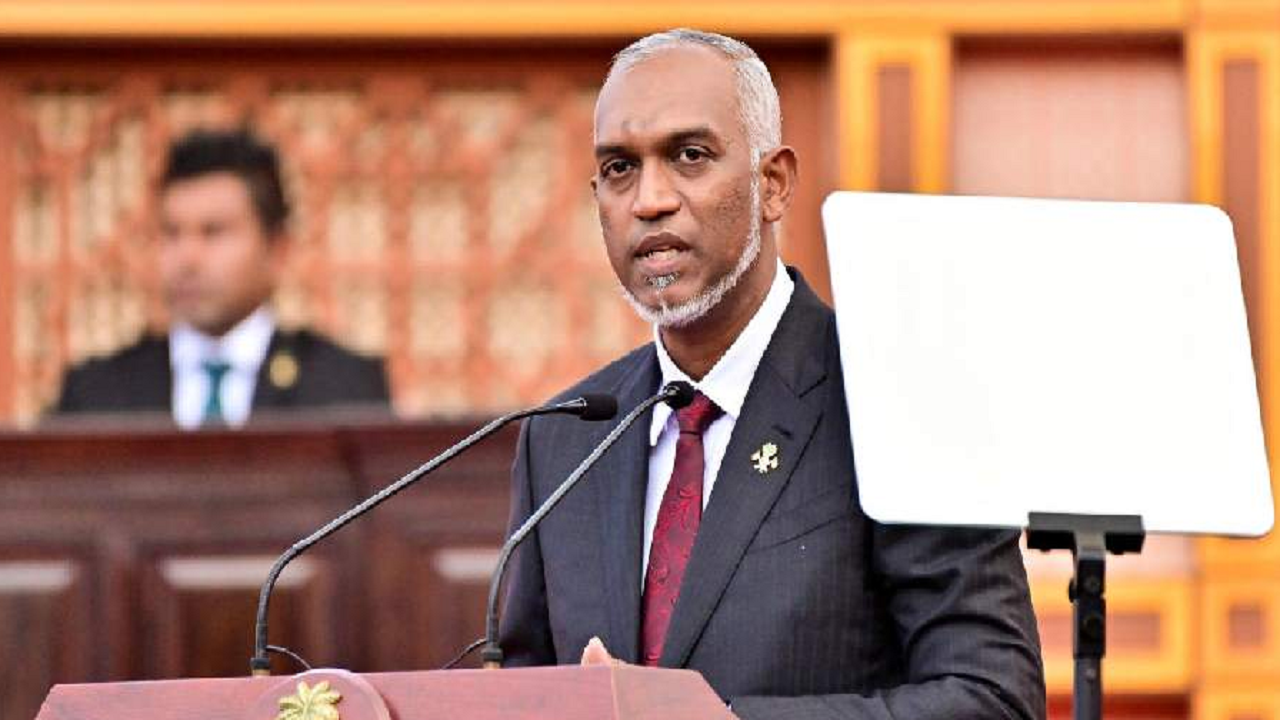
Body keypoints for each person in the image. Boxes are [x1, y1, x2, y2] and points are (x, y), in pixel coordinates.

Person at [497, 29, 1045, 718]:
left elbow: (993, 699)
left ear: (773, 184)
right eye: (619, 169)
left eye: (689, 156)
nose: (649, 199)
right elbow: (524, 691)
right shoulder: (564, 438)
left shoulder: (900, 401)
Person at [53, 128, 389, 428]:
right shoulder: (96, 394)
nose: (187, 259)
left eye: (213, 232)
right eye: (171, 233)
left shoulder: (343, 388)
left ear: (277, 249)